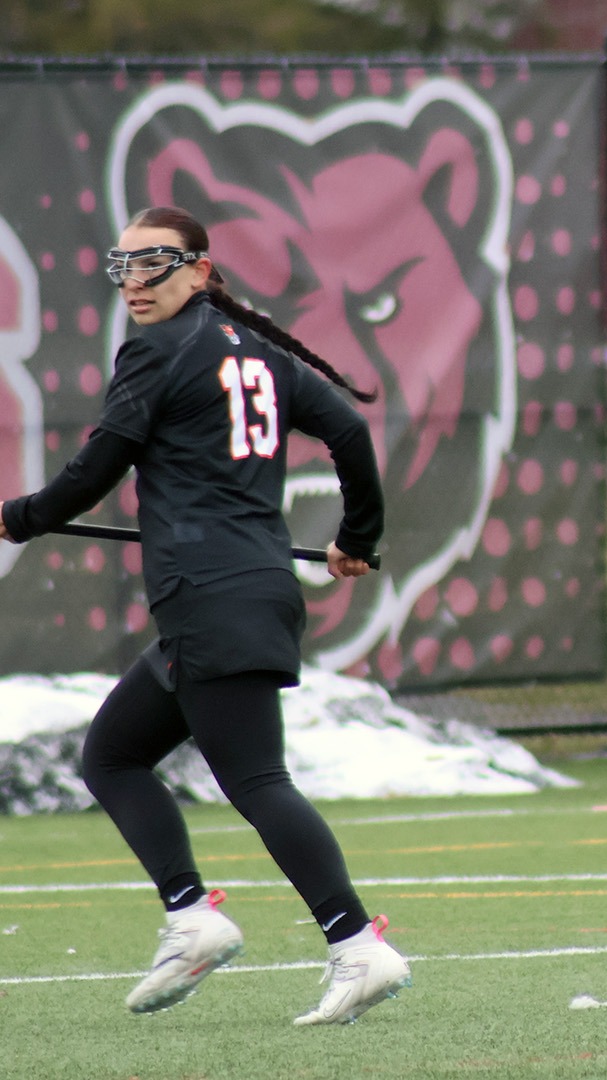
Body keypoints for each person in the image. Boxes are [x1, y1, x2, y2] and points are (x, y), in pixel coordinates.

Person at [0, 206, 411, 1023]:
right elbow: (351, 433)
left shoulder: (158, 350)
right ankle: (191, 919)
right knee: (112, 753)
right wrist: (356, 538)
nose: (134, 283)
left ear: (198, 267)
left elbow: (97, 466)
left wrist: (20, 516)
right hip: (245, 591)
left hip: (208, 593)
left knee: (257, 780)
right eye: (122, 267)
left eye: (152, 263)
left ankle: (356, 944)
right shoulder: (253, 351)